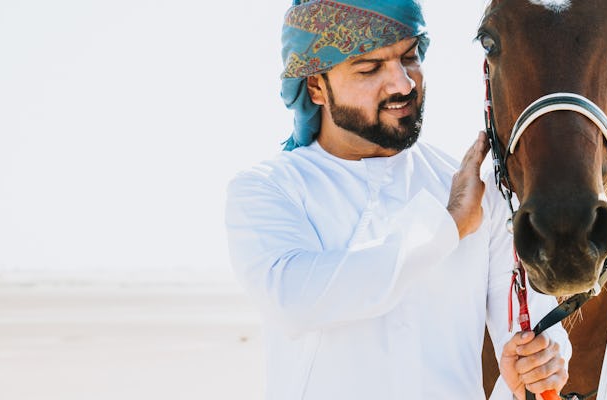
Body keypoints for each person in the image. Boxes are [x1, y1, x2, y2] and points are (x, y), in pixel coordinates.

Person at [224, 1, 570, 399]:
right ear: (317, 86)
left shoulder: (474, 190)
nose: (403, 84)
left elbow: (534, 333)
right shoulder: (269, 190)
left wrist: (540, 363)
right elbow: (295, 300)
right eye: (369, 68)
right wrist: (447, 226)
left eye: (410, 57)